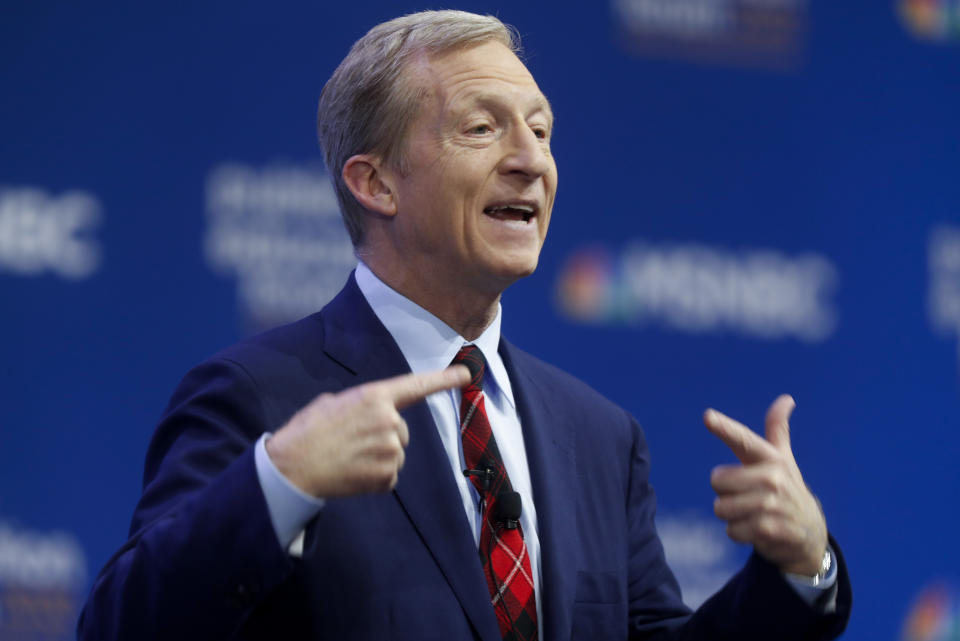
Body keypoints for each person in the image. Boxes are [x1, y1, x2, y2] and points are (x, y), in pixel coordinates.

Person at [78, 10, 851, 641]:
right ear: (375, 181)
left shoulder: (600, 437)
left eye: (543, 131)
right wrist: (281, 482)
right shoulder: (261, 401)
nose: (531, 161)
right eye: (483, 129)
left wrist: (799, 567)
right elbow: (121, 625)